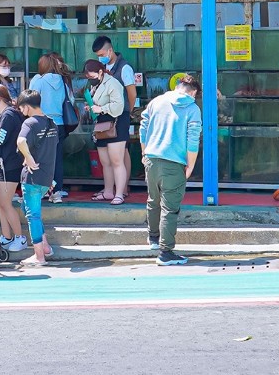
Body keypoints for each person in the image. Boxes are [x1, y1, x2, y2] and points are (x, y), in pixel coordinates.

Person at [140, 74, 202, 266]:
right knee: (170, 208)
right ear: (193, 92)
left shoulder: (156, 102)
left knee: (153, 200)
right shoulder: (192, 109)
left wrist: (144, 153)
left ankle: (153, 238)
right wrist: (190, 166)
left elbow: (143, 128)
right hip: (174, 164)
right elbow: (193, 140)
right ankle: (165, 253)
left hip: (151, 159)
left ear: (177, 87)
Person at [15, 89, 58, 266]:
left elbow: (20, 141)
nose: (21, 112)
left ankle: (39, 256)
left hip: (32, 177)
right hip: (47, 177)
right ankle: (45, 246)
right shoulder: (52, 123)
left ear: (26, 107)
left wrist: (29, 158)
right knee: (30, 210)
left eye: (21, 108)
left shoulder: (29, 123)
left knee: (32, 216)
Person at [30, 52, 75, 203]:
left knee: (40, 158)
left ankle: (42, 190)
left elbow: (31, 101)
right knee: (57, 159)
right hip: (60, 124)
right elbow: (70, 100)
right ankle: (57, 191)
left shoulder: (39, 81)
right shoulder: (62, 81)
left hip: (42, 123)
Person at [0, 85, 28, 252]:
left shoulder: (9, 115)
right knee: (1, 203)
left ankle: (20, 237)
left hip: (9, 166)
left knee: (5, 203)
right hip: (0, 165)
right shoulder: (1, 114)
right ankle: (6, 237)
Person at [84, 58, 127, 204]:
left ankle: (119, 194)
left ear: (100, 72)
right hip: (101, 125)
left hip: (116, 124)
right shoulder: (96, 84)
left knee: (116, 161)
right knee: (105, 161)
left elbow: (119, 106)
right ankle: (108, 191)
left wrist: (100, 108)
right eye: (88, 77)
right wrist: (92, 107)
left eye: (92, 76)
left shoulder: (113, 83)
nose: (90, 79)